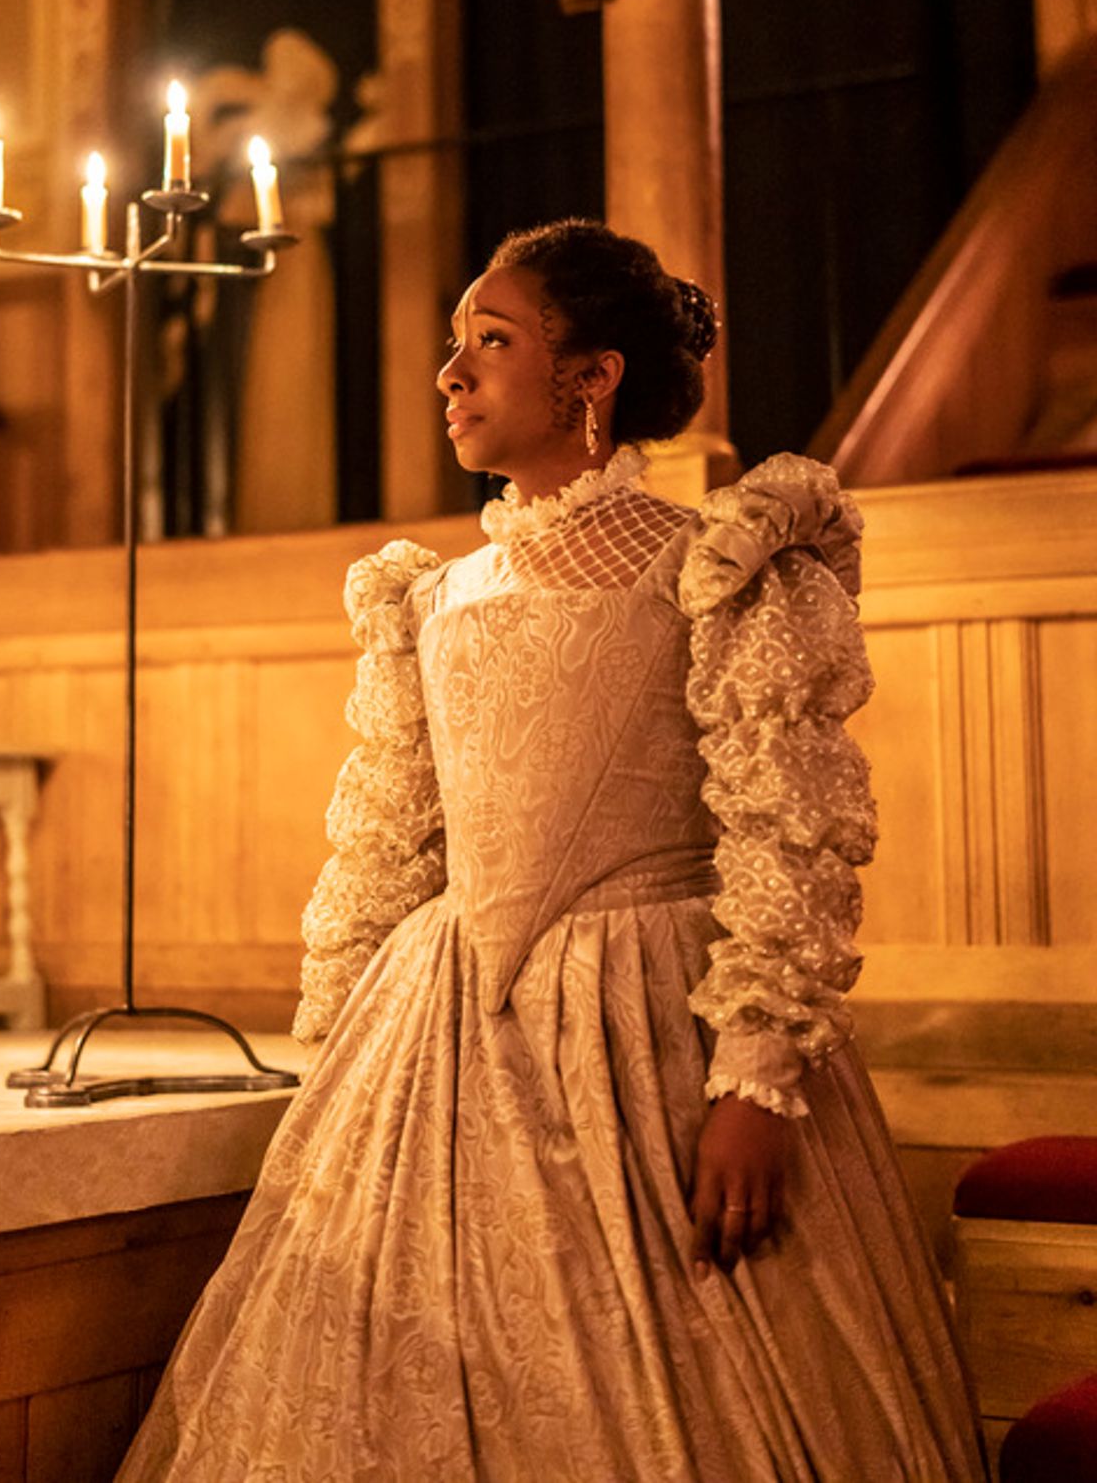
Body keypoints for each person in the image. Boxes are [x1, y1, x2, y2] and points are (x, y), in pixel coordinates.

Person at [118, 219, 985, 1482]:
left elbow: (782, 830)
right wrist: (344, 1041)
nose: (449, 374)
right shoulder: (428, 597)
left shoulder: (715, 566)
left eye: (490, 341)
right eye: (452, 346)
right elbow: (395, 835)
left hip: (646, 1023)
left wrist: (751, 1076)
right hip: (439, 1035)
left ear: (592, 378)